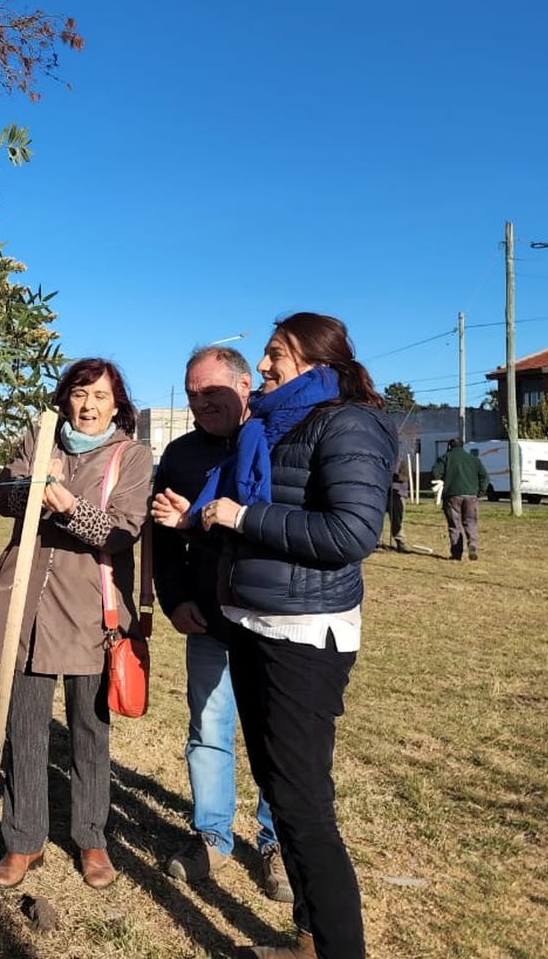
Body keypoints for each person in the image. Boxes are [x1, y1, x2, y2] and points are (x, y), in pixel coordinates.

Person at [153, 313, 396, 959]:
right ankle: (310, 943)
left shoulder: (346, 422)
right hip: (255, 624)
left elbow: (351, 533)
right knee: (286, 800)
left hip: (302, 636)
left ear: (318, 361)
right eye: (264, 355)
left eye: (275, 354)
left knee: (306, 811)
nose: (263, 366)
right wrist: (202, 520)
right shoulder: (274, 425)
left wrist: (244, 513)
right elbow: (251, 524)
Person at [0, 358, 152, 891]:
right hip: (29, 609)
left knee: (89, 731)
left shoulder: (132, 456)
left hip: (91, 615)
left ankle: (90, 836)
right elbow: (3, 498)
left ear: (116, 404)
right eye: (80, 393)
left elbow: (122, 531)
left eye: (100, 396)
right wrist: (32, 484)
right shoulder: (40, 439)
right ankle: (23, 838)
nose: (88, 405)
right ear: (65, 398)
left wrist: (65, 502)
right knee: (25, 729)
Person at [153, 346, 291, 903]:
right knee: (208, 730)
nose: (200, 403)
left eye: (211, 391)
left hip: (269, 615)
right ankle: (211, 836)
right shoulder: (180, 454)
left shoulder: (276, 441)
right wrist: (175, 597)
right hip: (207, 614)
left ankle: (277, 840)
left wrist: (195, 521)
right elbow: (162, 538)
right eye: (191, 394)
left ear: (243, 385)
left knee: (275, 733)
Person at [431, 438, 489, 561]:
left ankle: (457, 553)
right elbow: (484, 477)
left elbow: (435, 473)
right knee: (470, 522)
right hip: (471, 495)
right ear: (462, 447)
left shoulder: (445, 457)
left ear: (449, 447)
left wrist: (444, 479)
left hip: (452, 496)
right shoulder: (474, 460)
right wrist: (479, 492)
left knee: (454, 524)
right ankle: (472, 544)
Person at [384, 462, 408, 552]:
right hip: (384, 492)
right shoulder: (383, 459)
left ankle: (400, 541)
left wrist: (393, 477)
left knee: (397, 519)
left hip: (397, 493)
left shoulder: (401, 462)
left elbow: (404, 477)